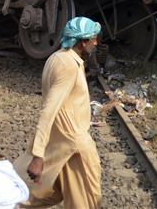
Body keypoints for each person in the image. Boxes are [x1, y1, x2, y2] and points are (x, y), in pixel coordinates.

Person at [24, 17, 102, 209]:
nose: (96, 43)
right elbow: (48, 110)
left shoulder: (57, 58)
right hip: (75, 147)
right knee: (88, 201)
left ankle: (1, 203)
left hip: (62, 143)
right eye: (94, 38)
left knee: (48, 193)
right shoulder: (68, 66)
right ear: (82, 41)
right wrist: (38, 155)